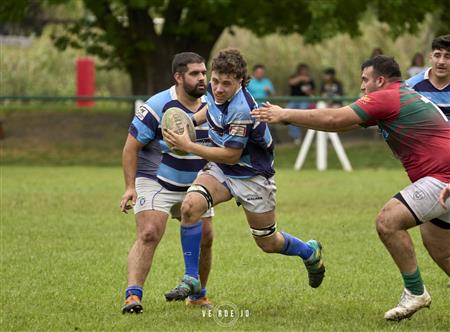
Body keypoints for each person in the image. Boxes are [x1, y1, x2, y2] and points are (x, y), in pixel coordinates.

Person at [252, 55, 450, 321]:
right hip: (441, 179)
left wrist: (284, 113)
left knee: (388, 221)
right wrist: (291, 119)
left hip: (442, 178)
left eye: (365, 80)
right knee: (441, 249)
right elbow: (343, 124)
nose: (362, 87)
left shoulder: (387, 96)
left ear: (380, 80)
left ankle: (415, 293)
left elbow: (335, 118)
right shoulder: (400, 96)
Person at [163, 48, 325, 300]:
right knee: (190, 207)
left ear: (240, 81)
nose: (217, 88)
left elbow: (231, 155)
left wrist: (189, 146)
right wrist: (191, 121)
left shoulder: (242, 109)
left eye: (226, 84)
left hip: (252, 177)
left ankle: (309, 252)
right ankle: (191, 278)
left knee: (267, 242)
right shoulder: (215, 89)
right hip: (221, 171)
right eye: (214, 81)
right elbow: (212, 108)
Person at [120, 52, 214, 313]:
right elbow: (130, 148)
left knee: (206, 237)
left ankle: (198, 295)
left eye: (204, 73)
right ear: (178, 77)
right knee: (149, 232)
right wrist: (130, 187)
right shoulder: (157, 104)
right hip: (156, 179)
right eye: (195, 74)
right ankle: (133, 296)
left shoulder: (214, 105)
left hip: (196, 181)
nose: (202, 79)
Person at [406, 35, 450, 120]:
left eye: (448, 57)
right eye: (437, 55)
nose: (441, 62)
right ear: (430, 57)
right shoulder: (410, 87)